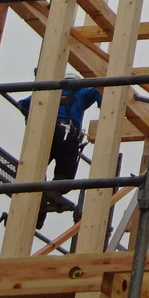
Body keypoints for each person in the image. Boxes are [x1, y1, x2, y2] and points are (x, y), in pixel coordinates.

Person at [22, 85, 102, 224]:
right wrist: (104, 106)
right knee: (64, 178)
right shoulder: (81, 91)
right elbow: (98, 92)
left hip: (46, 133)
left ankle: (36, 212)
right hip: (67, 135)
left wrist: (32, 120)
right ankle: (45, 197)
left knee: (33, 171)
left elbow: (22, 104)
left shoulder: (49, 91)